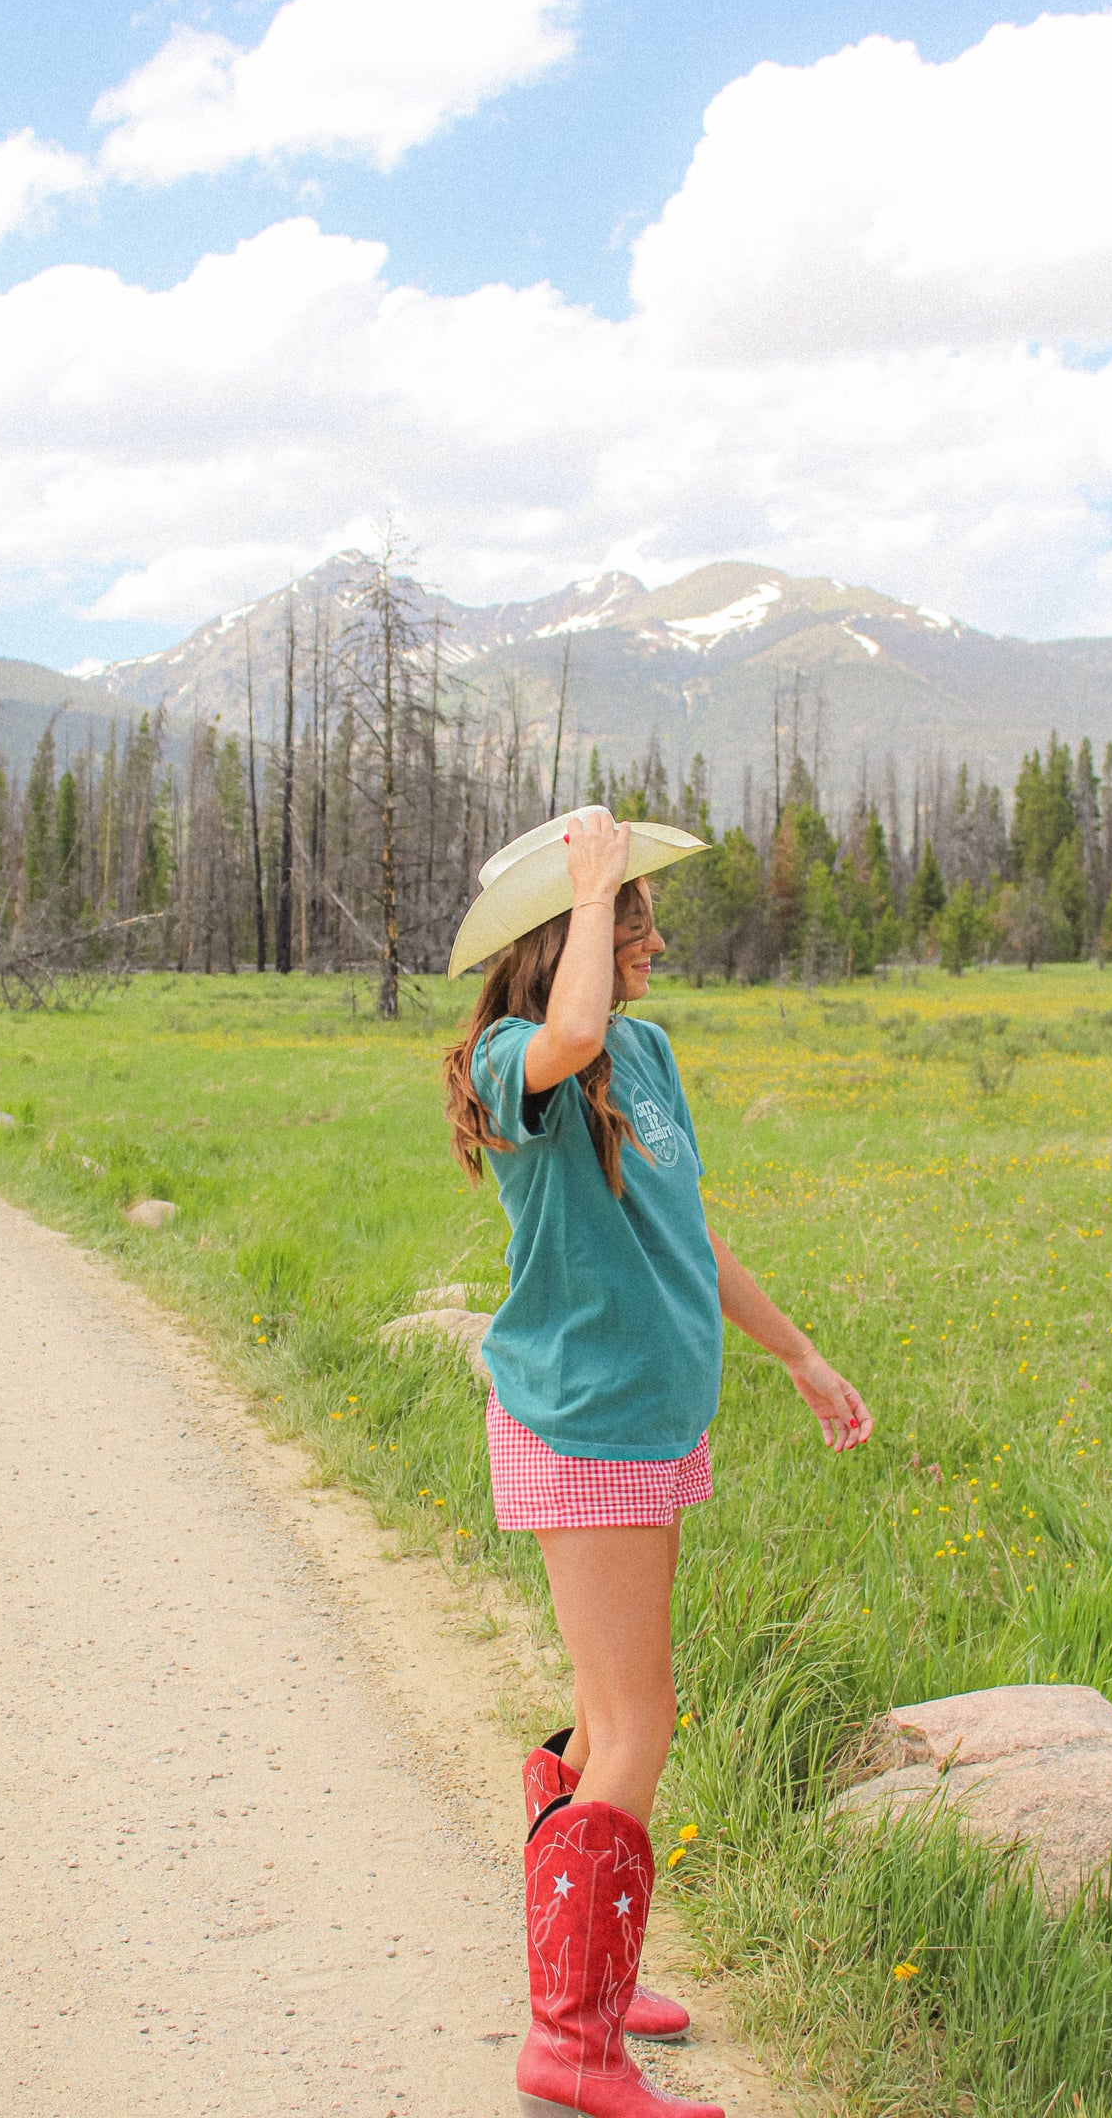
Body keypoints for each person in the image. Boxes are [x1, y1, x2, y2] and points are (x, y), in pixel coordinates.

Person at [442, 806, 873, 2118]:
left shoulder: (649, 1053)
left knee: (605, 1713)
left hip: (650, 1421)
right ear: (558, 937)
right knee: (638, 1721)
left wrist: (797, 1355)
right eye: (628, 920)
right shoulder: (521, 1055)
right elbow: (565, 1036)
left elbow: (690, 1231)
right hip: (588, 1422)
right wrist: (585, 888)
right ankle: (571, 2041)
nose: (651, 939)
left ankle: (592, 1971)